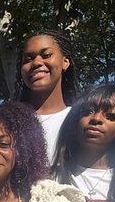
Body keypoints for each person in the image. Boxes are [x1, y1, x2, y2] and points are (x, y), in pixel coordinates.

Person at [15, 31, 77, 161]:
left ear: (65, 62)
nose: (37, 62)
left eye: (46, 55)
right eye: (28, 59)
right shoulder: (8, 123)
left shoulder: (81, 120)